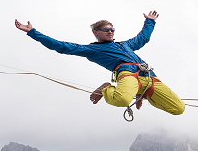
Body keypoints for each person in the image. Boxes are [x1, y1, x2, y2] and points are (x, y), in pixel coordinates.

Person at [14, 12, 184, 115]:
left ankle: (142, 94)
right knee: (122, 100)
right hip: (127, 75)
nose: (110, 32)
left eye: (112, 29)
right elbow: (61, 46)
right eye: (106, 30)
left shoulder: (124, 45)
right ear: (96, 33)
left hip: (148, 76)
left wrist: (150, 21)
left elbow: (142, 38)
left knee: (178, 108)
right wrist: (33, 33)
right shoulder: (92, 50)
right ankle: (106, 88)